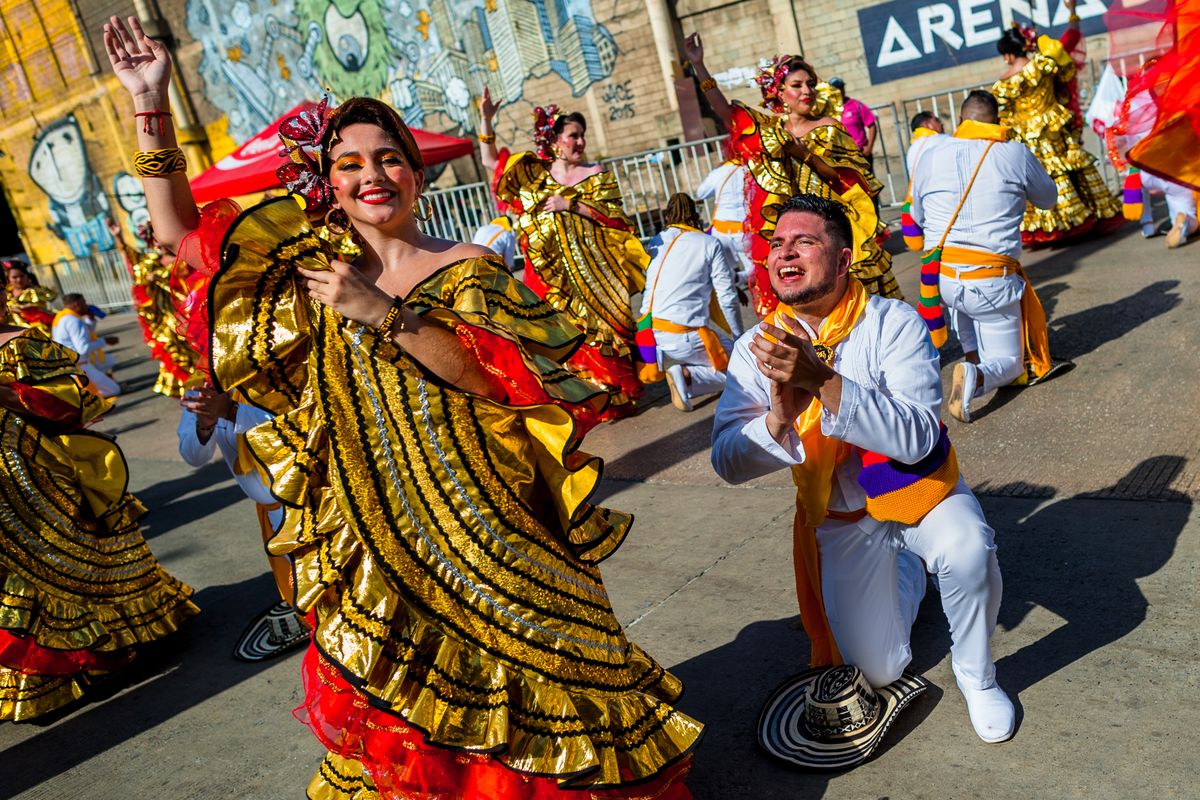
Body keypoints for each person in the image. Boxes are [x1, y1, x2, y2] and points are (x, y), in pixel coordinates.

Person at [105, 14, 700, 799]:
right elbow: (178, 233)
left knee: (532, 678)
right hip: (377, 529)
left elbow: (498, 383)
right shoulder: (310, 273)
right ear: (330, 184)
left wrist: (383, 313)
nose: (371, 175)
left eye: (389, 158)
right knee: (416, 706)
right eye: (349, 164)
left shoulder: (469, 265)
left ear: (417, 174)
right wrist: (150, 104)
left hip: (486, 525)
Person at [711, 193, 1014, 745]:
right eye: (777, 244)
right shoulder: (754, 347)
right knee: (880, 672)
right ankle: (908, 576)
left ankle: (978, 676)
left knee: (967, 549)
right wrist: (781, 412)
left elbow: (921, 436)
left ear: (845, 259)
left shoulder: (892, 321)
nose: (785, 255)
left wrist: (823, 381)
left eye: (805, 242)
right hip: (841, 515)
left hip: (919, 490)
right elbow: (727, 461)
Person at [0, 281, 198, 721]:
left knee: (68, 570)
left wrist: (8, 394)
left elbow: (75, 401)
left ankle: (106, 652)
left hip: (39, 483)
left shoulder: (21, 343)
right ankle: (37, 680)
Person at [683, 33, 902, 318]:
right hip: (792, 236)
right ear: (778, 92)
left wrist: (804, 154)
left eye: (810, 84)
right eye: (796, 85)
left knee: (853, 310)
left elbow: (850, 181)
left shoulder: (830, 126)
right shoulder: (771, 132)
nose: (806, 91)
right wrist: (699, 65)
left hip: (831, 229)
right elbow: (727, 113)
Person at [480, 89, 651, 420]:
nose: (580, 142)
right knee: (563, 336)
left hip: (596, 276)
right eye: (573, 136)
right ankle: (578, 399)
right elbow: (491, 162)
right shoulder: (535, 176)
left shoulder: (595, 173)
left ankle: (610, 398)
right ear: (555, 141)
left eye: (582, 136)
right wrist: (487, 119)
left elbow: (615, 219)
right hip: (553, 278)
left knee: (601, 335)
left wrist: (570, 204)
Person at [911, 91, 1068, 422]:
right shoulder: (1014, 153)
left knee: (964, 305)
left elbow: (918, 215)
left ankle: (972, 358)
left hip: (942, 278)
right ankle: (976, 376)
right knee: (1010, 365)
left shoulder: (931, 154)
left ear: (962, 121)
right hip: (990, 279)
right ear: (996, 121)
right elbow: (1049, 199)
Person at [177, 386, 308, 661]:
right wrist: (204, 424)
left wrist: (231, 411)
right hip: (271, 513)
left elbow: (297, 429)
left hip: (307, 505)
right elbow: (193, 456)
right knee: (304, 592)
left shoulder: (265, 374)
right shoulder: (200, 387)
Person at [992, 0, 1121, 246]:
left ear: (1007, 54)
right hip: (1054, 131)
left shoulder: (1002, 83)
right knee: (1066, 171)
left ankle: (1052, 227)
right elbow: (1066, 62)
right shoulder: (1042, 64)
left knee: (1039, 179)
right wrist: (1071, 13)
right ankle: (1079, 219)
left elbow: (1005, 115)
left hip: (1027, 139)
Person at [639, 193, 744, 412]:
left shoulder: (656, 241)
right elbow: (727, 297)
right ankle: (687, 376)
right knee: (751, 371)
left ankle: (688, 376)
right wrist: (739, 337)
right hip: (685, 336)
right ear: (696, 215)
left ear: (667, 215)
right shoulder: (708, 243)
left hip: (651, 335)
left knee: (732, 362)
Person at [130, 222, 197, 396]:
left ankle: (203, 385)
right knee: (175, 353)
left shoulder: (185, 258)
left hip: (189, 313)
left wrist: (159, 278)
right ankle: (186, 389)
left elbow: (187, 287)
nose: (159, 243)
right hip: (166, 317)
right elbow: (133, 267)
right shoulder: (151, 263)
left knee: (196, 350)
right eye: (155, 239)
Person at [52, 292, 121, 398]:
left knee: (108, 360)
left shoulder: (63, 317)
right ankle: (86, 397)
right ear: (76, 304)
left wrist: (91, 320)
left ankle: (90, 388)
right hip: (78, 366)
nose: (86, 305)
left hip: (71, 364)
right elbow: (83, 348)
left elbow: (84, 335)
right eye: (84, 302)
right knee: (114, 389)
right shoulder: (74, 320)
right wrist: (104, 341)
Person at [695, 158, 752, 283]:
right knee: (754, 271)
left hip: (721, 231)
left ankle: (733, 280)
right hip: (745, 230)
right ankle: (741, 279)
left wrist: (715, 172)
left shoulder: (720, 172)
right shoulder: (751, 169)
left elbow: (701, 193)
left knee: (723, 271)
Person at [827, 77, 879, 176]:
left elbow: (872, 125)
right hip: (841, 157)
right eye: (834, 89)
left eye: (840, 88)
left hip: (861, 154)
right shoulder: (827, 110)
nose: (838, 91)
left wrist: (869, 147)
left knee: (869, 186)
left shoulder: (855, 105)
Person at [4, 260, 56, 335]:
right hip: (15, 335)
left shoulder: (36, 291)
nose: (19, 280)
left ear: (27, 276)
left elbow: (44, 310)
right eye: (14, 277)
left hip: (39, 332)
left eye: (21, 276)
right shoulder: (6, 294)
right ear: (8, 278)